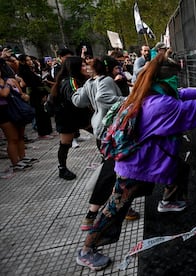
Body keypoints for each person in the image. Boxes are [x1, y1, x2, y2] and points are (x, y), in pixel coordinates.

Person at [75, 53, 196, 271]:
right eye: (175, 77)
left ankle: (169, 201)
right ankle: (87, 250)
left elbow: (180, 95)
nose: (177, 82)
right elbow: (186, 110)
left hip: (146, 161)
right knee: (115, 208)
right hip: (136, 167)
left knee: (180, 167)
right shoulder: (159, 104)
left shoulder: (148, 91)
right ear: (166, 79)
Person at [72, 56, 139, 231]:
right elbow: (104, 98)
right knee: (111, 171)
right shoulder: (106, 80)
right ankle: (92, 215)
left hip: (101, 132)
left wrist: (81, 89)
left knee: (112, 170)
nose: (120, 71)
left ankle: (120, 207)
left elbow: (78, 101)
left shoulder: (91, 82)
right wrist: (130, 100)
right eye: (117, 68)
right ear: (109, 69)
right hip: (110, 132)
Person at [51, 56, 90, 180]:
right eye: (83, 66)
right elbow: (76, 98)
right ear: (76, 68)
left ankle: (105, 159)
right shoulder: (70, 81)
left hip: (79, 116)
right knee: (65, 143)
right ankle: (62, 169)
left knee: (100, 134)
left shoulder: (77, 79)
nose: (86, 68)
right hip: (67, 118)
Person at [0, 70, 37, 171]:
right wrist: (8, 85)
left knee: (20, 136)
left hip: (17, 109)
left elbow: (20, 93)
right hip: (3, 113)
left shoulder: (9, 80)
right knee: (12, 138)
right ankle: (15, 163)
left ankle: (22, 157)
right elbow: (3, 94)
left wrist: (24, 95)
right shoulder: (8, 82)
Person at [17, 54, 53, 139]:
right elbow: (32, 85)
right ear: (23, 62)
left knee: (44, 113)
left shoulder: (30, 70)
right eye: (27, 60)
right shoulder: (24, 72)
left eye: (30, 60)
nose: (30, 62)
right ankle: (42, 133)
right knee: (40, 114)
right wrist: (42, 94)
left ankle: (47, 131)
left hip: (39, 93)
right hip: (35, 95)